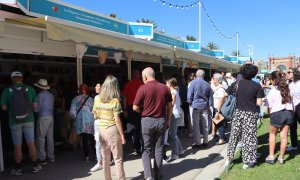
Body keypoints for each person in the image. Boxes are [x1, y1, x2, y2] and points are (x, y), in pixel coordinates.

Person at [133, 67, 172, 180]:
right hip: (161, 120)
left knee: (146, 149)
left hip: (146, 120)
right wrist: (168, 120)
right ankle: (158, 175)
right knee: (159, 149)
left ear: (145, 76)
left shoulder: (142, 88)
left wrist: (142, 111)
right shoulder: (165, 88)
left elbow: (135, 107)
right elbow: (169, 106)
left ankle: (148, 176)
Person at [0, 71, 42, 175]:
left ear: (12, 79)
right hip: (29, 120)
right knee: (31, 144)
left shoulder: (7, 90)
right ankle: (35, 165)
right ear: (21, 78)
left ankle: (18, 168)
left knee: (17, 146)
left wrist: (12, 109)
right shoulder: (30, 89)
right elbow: (35, 106)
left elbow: (4, 107)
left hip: (14, 121)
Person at [225, 64, 263, 169]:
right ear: (254, 74)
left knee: (234, 135)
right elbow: (259, 103)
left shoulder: (236, 83)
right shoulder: (257, 86)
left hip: (238, 112)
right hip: (250, 114)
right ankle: (248, 161)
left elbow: (225, 93)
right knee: (249, 137)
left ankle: (229, 158)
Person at [96, 76, 126, 180]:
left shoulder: (98, 99)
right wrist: (122, 135)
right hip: (112, 129)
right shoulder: (115, 101)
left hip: (101, 130)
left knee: (105, 159)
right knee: (118, 158)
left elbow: (96, 115)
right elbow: (117, 120)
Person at [265, 71, 293, 164]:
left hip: (277, 113)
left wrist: (270, 114)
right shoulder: (288, 89)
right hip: (288, 113)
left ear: (273, 80)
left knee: (272, 134)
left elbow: (269, 106)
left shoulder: (273, 91)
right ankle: (281, 158)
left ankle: (271, 156)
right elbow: (292, 104)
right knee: (284, 137)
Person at [187, 69, 213, 148]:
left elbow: (189, 95)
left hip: (195, 105)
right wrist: (209, 105)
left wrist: (190, 102)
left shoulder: (193, 83)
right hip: (204, 106)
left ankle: (198, 143)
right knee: (205, 124)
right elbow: (210, 97)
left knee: (196, 125)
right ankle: (205, 141)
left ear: (196, 75)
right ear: (203, 76)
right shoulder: (207, 84)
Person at [70, 83, 95, 162]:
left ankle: (87, 156)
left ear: (79, 90)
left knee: (84, 139)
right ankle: (95, 154)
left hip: (81, 121)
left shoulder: (75, 99)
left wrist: (74, 118)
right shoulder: (91, 99)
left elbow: (72, 112)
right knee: (92, 138)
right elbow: (94, 111)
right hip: (90, 121)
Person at [123, 69, 144, 154]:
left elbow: (124, 98)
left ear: (132, 76)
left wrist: (124, 110)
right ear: (139, 75)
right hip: (140, 108)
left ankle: (135, 146)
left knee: (132, 128)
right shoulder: (142, 84)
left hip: (130, 108)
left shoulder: (127, 85)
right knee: (139, 127)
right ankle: (139, 146)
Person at [34, 79, 55, 165]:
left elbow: (37, 108)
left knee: (41, 138)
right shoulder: (51, 95)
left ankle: (42, 158)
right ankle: (51, 156)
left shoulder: (39, 95)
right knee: (50, 138)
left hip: (43, 117)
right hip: (50, 116)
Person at [165, 78, 184, 162]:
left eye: (166, 84)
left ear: (170, 84)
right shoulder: (175, 92)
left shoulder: (173, 92)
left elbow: (171, 105)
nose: (166, 85)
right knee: (174, 134)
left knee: (172, 135)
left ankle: (175, 154)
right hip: (176, 114)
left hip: (173, 114)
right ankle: (180, 150)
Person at [286, 68, 300, 152]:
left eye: (289, 72)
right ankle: (294, 145)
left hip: (299, 106)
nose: (287, 73)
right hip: (292, 107)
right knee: (292, 126)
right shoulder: (289, 83)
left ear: (294, 74)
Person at [90, 83, 103, 172]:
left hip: (100, 121)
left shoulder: (101, 98)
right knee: (98, 142)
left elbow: (95, 110)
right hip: (99, 120)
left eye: (97, 86)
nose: (95, 87)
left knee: (100, 142)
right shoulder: (96, 97)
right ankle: (101, 161)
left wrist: (95, 115)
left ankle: (101, 162)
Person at [212, 73, 226, 145]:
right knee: (218, 123)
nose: (212, 79)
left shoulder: (220, 89)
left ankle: (222, 139)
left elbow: (221, 100)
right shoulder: (218, 88)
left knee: (220, 124)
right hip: (217, 108)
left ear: (217, 80)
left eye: (213, 78)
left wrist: (218, 111)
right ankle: (221, 136)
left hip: (219, 109)